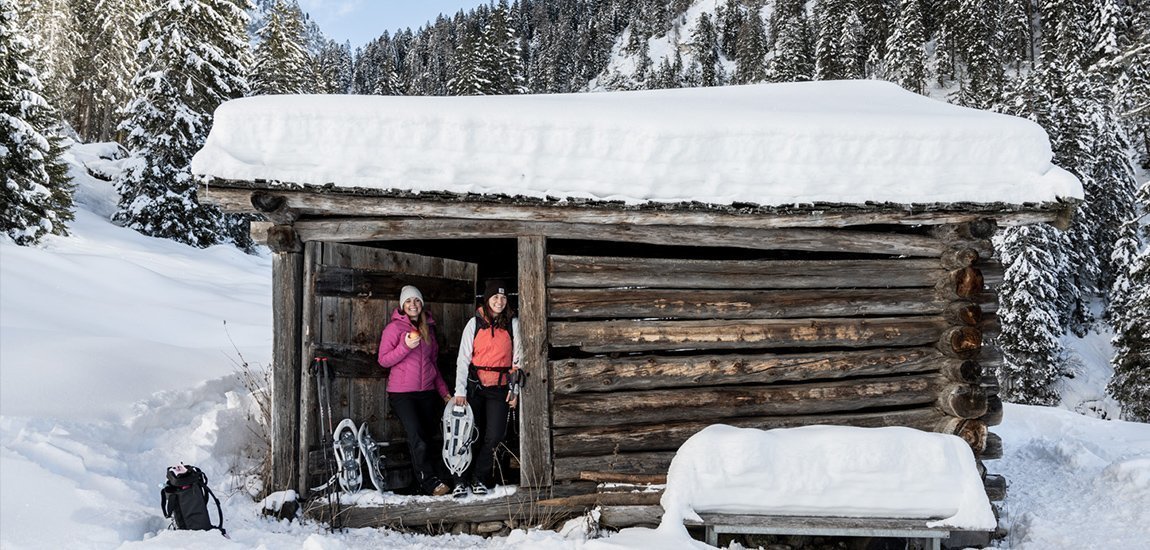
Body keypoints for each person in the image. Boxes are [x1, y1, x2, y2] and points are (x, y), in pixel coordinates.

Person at [377, 285, 452, 496]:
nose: (413, 305)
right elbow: (383, 360)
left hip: (427, 392)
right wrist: (405, 346)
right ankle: (429, 483)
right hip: (402, 394)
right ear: (402, 306)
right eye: (408, 301)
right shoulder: (393, 329)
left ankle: (425, 480)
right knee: (417, 436)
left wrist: (444, 392)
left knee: (428, 437)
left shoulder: (429, 329)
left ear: (422, 304)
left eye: (417, 301)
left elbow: (433, 365)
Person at [451, 279, 521, 498]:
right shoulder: (474, 324)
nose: (499, 301)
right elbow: (463, 360)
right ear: (487, 299)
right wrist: (459, 391)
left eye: (503, 297)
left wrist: (514, 390)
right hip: (474, 387)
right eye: (495, 297)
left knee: (495, 435)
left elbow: (518, 360)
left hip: (500, 388)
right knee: (467, 434)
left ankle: (479, 477)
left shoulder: (512, 323)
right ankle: (460, 479)